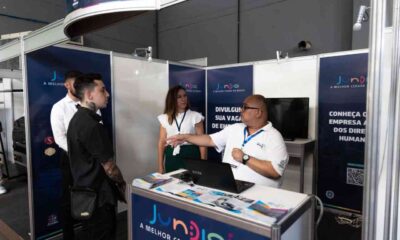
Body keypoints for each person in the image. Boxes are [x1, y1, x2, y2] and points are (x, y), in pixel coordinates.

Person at [168, 94, 289, 188]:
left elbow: (275, 171)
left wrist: (245, 158)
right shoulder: (235, 128)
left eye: (245, 107)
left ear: (258, 112)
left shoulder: (274, 137)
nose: (240, 110)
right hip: (229, 189)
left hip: (257, 197)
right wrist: (185, 137)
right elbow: (210, 139)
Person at [67, 73, 126, 240]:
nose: (107, 94)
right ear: (89, 95)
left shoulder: (76, 120)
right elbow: (109, 167)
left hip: (85, 194)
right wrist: (122, 184)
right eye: (103, 90)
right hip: (99, 198)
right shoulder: (92, 126)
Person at [50, 70, 82, 239]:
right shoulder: (59, 107)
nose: (79, 87)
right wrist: (78, 154)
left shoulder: (89, 104)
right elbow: (59, 137)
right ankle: (68, 236)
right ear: (67, 85)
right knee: (67, 199)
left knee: (88, 195)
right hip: (70, 159)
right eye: (76, 83)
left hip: (89, 160)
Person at [157, 85, 206, 173]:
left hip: (191, 155)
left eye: (185, 96)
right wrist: (160, 166)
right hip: (171, 156)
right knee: (171, 184)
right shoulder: (164, 118)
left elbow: (202, 143)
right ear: (172, 100)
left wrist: (203, 165)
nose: (183, 99)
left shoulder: (195, 116)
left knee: (192, 184)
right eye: (179, 97)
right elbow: (162, 142)